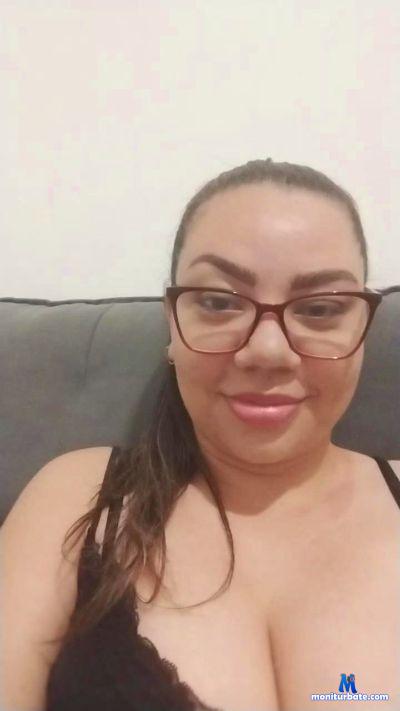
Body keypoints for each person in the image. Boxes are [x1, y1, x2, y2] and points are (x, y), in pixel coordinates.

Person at [2, 159, 400, 711]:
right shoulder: (76, 497)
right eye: (218, 302)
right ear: (173, 321)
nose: (267, 351)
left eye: (320, 308)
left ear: (363, 330)